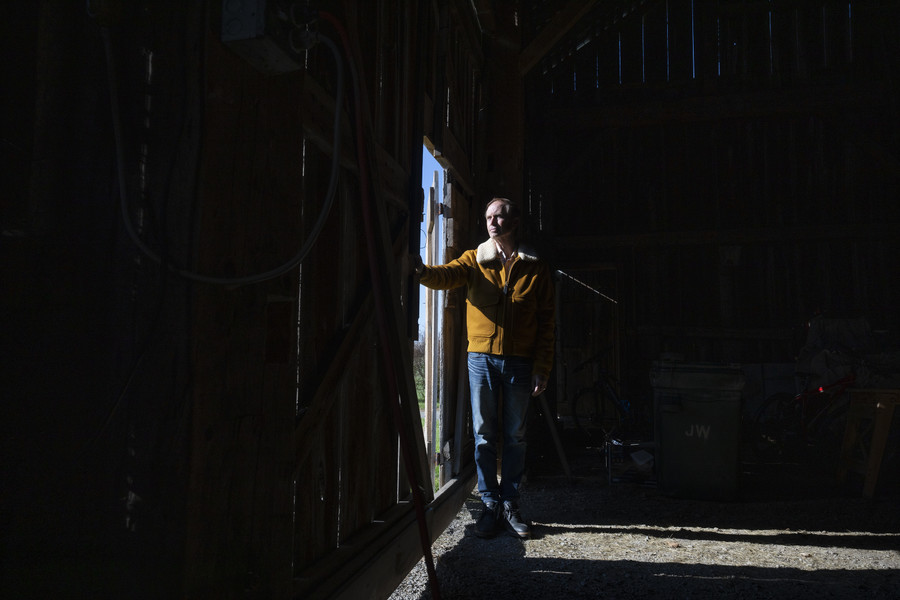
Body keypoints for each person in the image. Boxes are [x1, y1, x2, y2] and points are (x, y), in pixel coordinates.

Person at [414, 197, 555, 539]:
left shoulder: (535, 267)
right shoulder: (476, 260)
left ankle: (511, 503)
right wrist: (419, 271)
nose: (492, 222)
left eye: (499, 216)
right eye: (488, 217)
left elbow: (547, 322)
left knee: (516, 435)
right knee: (484, 435)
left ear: (514, 220)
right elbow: (446, 275)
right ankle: (490, 504)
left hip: (521, 363)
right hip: (481, 361)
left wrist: (542, 367)